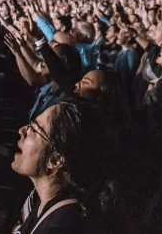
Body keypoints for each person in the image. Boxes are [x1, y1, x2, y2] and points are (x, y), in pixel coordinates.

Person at [11, 99, 102, 234]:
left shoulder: (59, 228)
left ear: (55, 159)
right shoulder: (43, 199)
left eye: (34, 129)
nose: (21, 130)